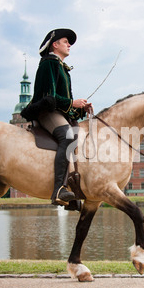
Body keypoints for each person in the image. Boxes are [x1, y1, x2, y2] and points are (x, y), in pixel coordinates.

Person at [31, 28, 92, 206]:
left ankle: (72, 193)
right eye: (66, 42)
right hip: (46, 112)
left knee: (78, 138)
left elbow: (65, 103)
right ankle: (58, 189)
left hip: (57, 112)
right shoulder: (48, 63)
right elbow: (49, 97)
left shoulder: (62, 68)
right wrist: (73, 103)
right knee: (68, 136)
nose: (69, 45)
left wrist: (82, 109)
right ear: (55, 45)